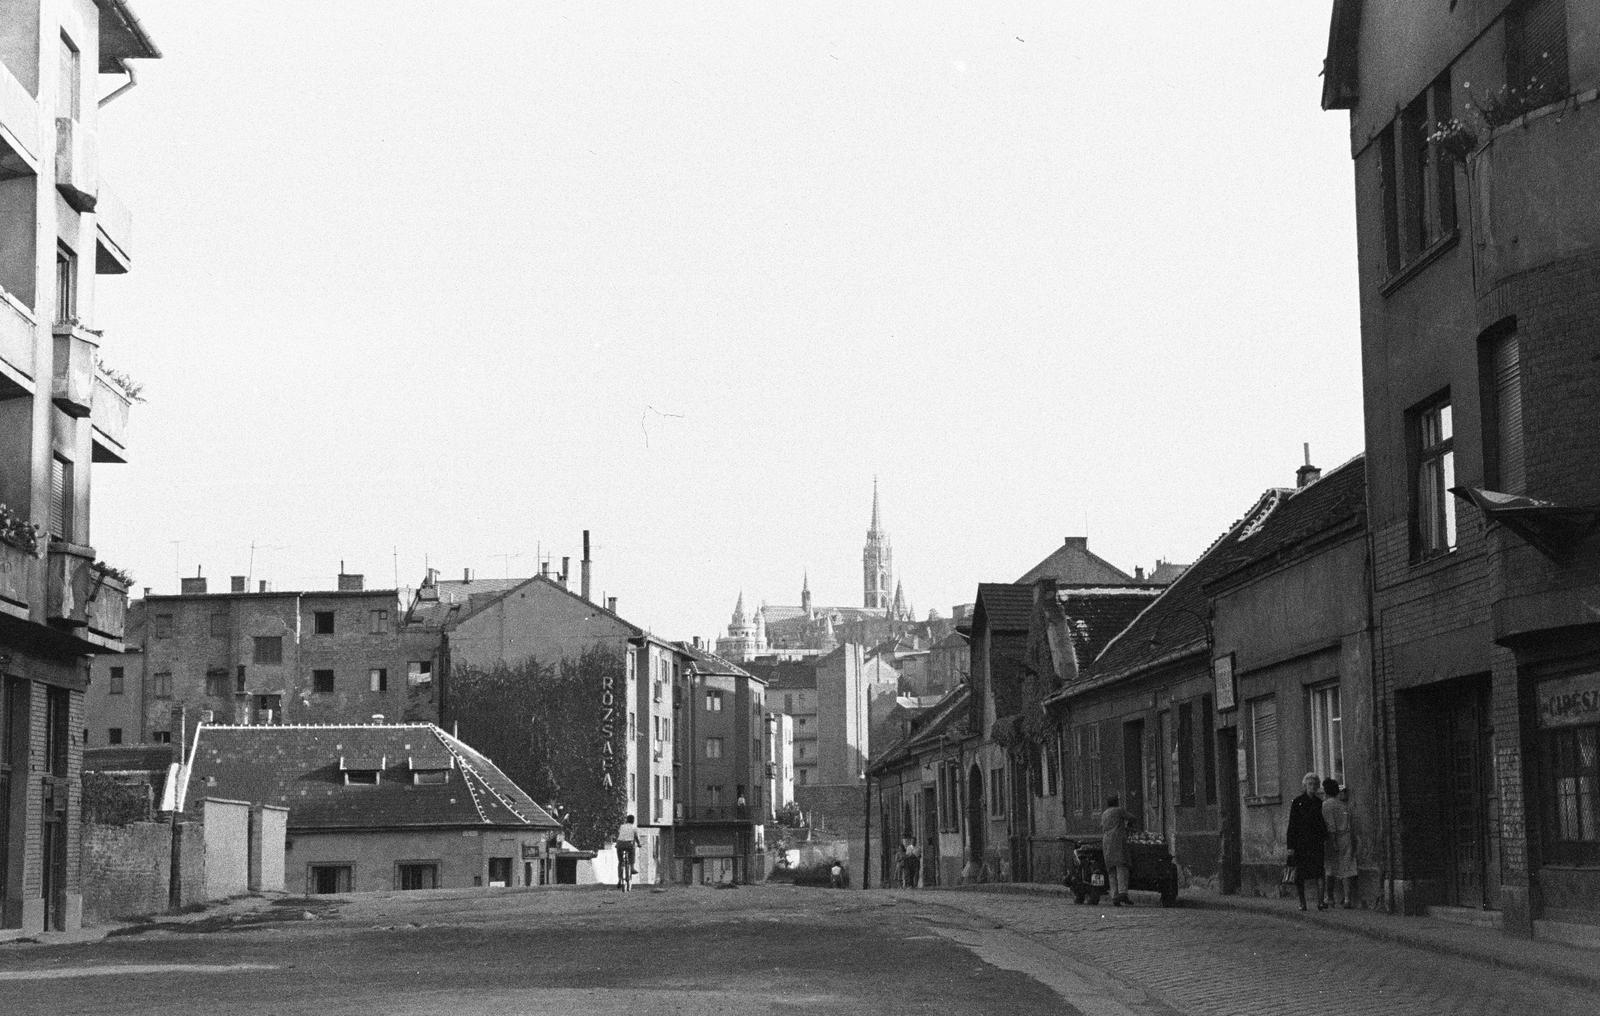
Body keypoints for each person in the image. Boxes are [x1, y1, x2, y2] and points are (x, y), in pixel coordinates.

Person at [1286, 773, 1327, 911]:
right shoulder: (1297, 802)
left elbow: (1322, 824)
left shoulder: (1319, 803)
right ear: (1305, 786)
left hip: (1316, 843)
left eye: (1315, 784)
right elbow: (1292, 825)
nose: (1312, 787)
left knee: (1319, 872)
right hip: (1301, 844)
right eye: (1310, 784)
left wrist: (1324, 839)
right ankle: (1302, 902)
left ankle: (1321, 902)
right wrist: (1290, 846)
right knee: (1300, 874)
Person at [1321, 777, 1358, 908]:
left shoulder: (1325, 805)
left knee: (1330, 868)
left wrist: (1333, 842)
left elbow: (1330, 826)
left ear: (1325, 791)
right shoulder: (1343, 805)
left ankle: (1329, 897)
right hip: (1346, 837)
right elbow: (1350, 825)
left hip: (1334, 838)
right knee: (1347, 867)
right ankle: (1348, 899)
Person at [1100, 794, 1135, 906]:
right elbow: (1132, 818)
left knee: (1111, 869)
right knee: (1121, 866)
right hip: (1117, 840)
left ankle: (1114, 895)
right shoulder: (1119, 810)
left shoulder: (1104, 813)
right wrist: (1129, 825)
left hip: (1106, 841)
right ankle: (1123, 892)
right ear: (1116, 802)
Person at [615, 813, 640, 892]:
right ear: (633, 821)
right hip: (629, 844)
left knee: (620, 862)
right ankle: (632, 868)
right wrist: (639, 844)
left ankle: (619, 879)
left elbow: (620, 834)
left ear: (626, 820)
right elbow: (636, 837)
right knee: (633, 851)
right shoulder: (634, 828)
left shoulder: (622, 826)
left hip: (619, 844)